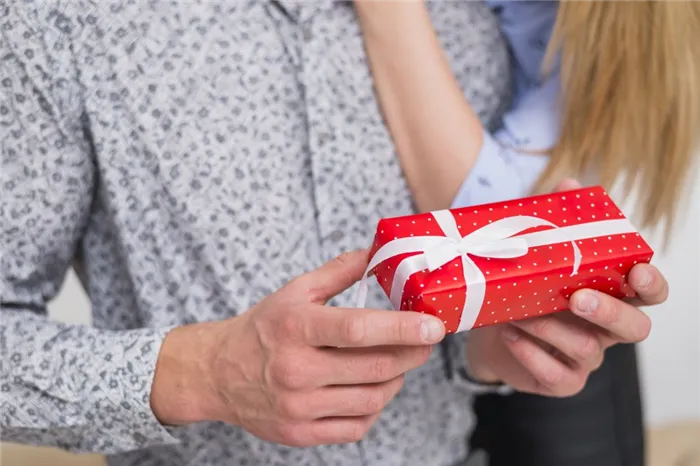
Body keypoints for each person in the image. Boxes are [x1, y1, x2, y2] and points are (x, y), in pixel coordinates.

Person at [0, 2, 670, 466]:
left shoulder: (478, 30)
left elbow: (464, 343)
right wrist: (202, 372)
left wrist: (491, 350)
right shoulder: (65, 19)